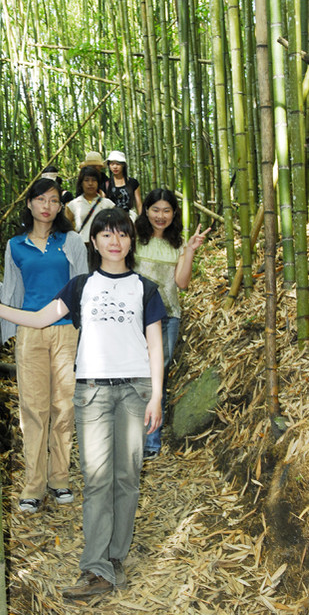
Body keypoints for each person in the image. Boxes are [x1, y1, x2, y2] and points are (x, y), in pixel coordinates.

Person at [0, 208, 166, 599]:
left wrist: (156, 395)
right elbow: (40, 319)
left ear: (131, 241)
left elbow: (155, 345)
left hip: (134, 390)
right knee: (98, 479)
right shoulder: (81, 286)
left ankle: (115, 557)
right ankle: (96, 568)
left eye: (122, 234)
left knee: (126, 479)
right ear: (94, 242)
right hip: (92, 392)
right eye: (107, 234)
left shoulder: (145, 288)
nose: (115, 241)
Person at [0, 177, 88, 513]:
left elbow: (82, 287)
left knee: (64, 407)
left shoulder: (70, 241)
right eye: (41, 199)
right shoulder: (15, 245)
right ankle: (33, 485)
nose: (47, 206)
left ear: (61, 206)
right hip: (30, 332)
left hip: (66, 331)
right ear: (30, 203)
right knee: (33, 408)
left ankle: (59, 478)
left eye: (54, 200)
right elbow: (12, 292)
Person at [135, 188, 211, 459]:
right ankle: (131, 435)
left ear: (174, 213)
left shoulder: (177, 243)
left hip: (168, 316)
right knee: (133, 372)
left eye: (166, 210)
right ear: (146, 210)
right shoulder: (133, 238)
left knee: (158, 375)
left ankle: (151, 441)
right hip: (135, 316)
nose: (160, 215)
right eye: (155, 209)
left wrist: (189, 251)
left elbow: (182, 282)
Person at [65, 166, 115, 245]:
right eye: (86, 180)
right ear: (81, 183)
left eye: (94, 180)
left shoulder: (108, 204)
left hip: (103, 245)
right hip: (81, 245)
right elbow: (66, 228)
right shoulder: (73, 205)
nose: (90, 183)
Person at [105, 150, 143, 217]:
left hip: (130, 217)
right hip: (112, 219)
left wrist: (141, 219)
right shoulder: (106, 184)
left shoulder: (133, 183)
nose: (115, 167)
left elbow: (139, 204)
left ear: (123, 165)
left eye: (118, 164)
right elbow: (103, 206)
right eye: (112, 164)